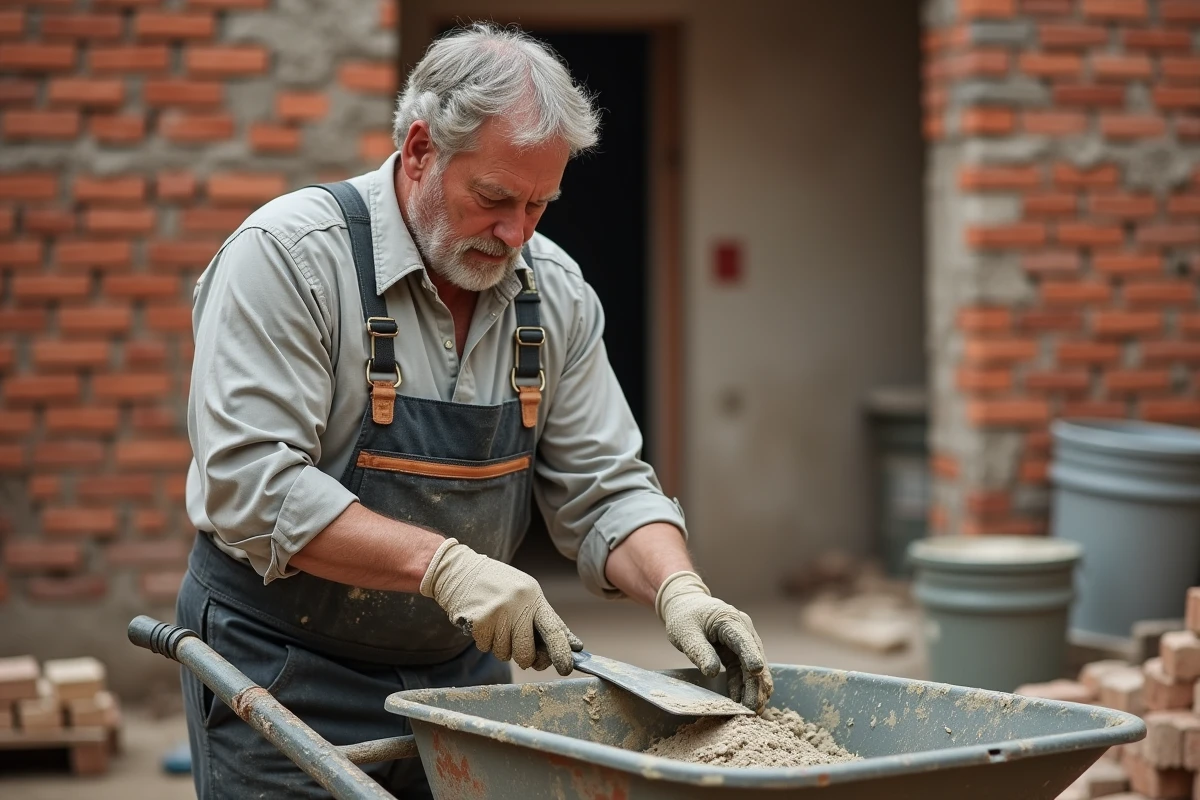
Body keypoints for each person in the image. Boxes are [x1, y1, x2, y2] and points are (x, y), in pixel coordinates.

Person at [177, 22, 772, 798]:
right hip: (281, 671)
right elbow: (252, 485)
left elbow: (606, 490)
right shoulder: (291, 258)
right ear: (420, 149)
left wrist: (677, 587)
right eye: (493, 198)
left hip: (457, 682)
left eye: (539, 204)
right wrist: (445, 567)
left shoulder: (553, 293)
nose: (516, 232)